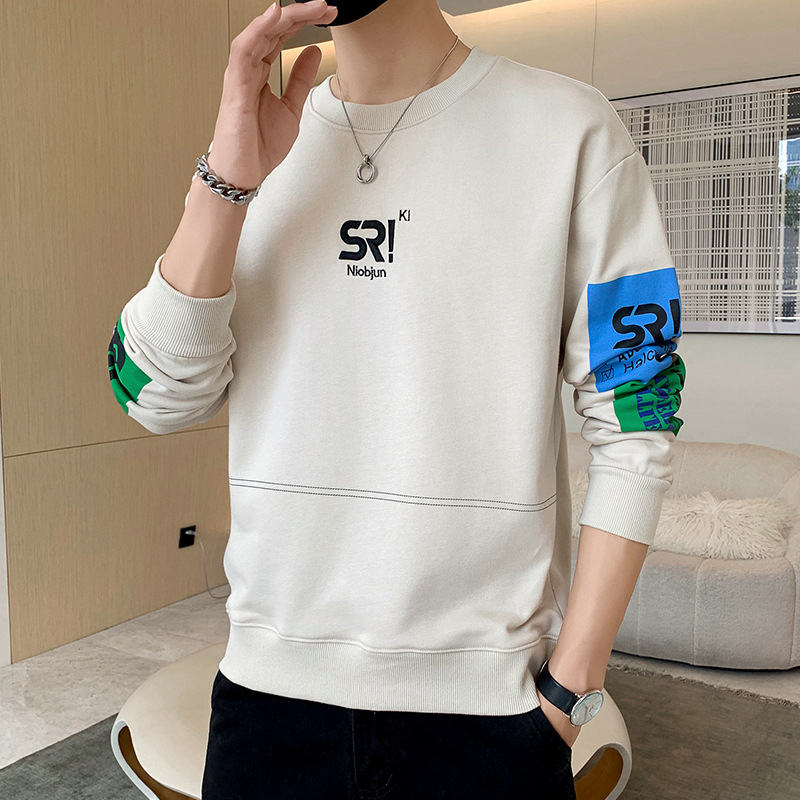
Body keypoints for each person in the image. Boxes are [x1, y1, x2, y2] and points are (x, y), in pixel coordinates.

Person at [107, 0, 686, 797]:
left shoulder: (571, 130)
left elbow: (640, 414)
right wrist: (227, 182)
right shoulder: (255, 151)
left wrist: (570, 689)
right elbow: (148, 395)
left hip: (493, 719)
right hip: (268, 709)